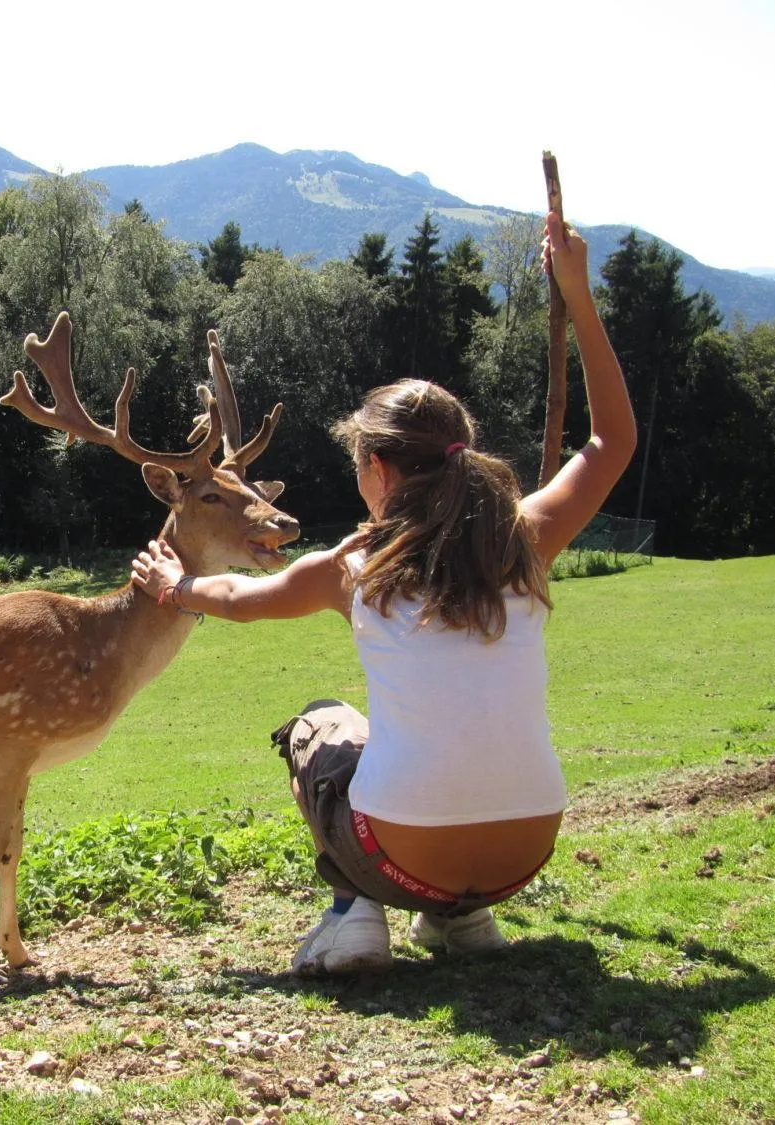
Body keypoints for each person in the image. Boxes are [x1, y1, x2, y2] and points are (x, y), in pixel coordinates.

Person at [131, 212, 637, 973]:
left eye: (359, 464)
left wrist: (175, 584)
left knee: (321, 725)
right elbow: (612, 443)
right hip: (525, 854)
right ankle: (463, 922)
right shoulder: (524, 539)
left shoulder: (353, 565)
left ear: (379, 471)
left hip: (400, 860)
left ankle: (356, 912)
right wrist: (578, 293)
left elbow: (235, 595)